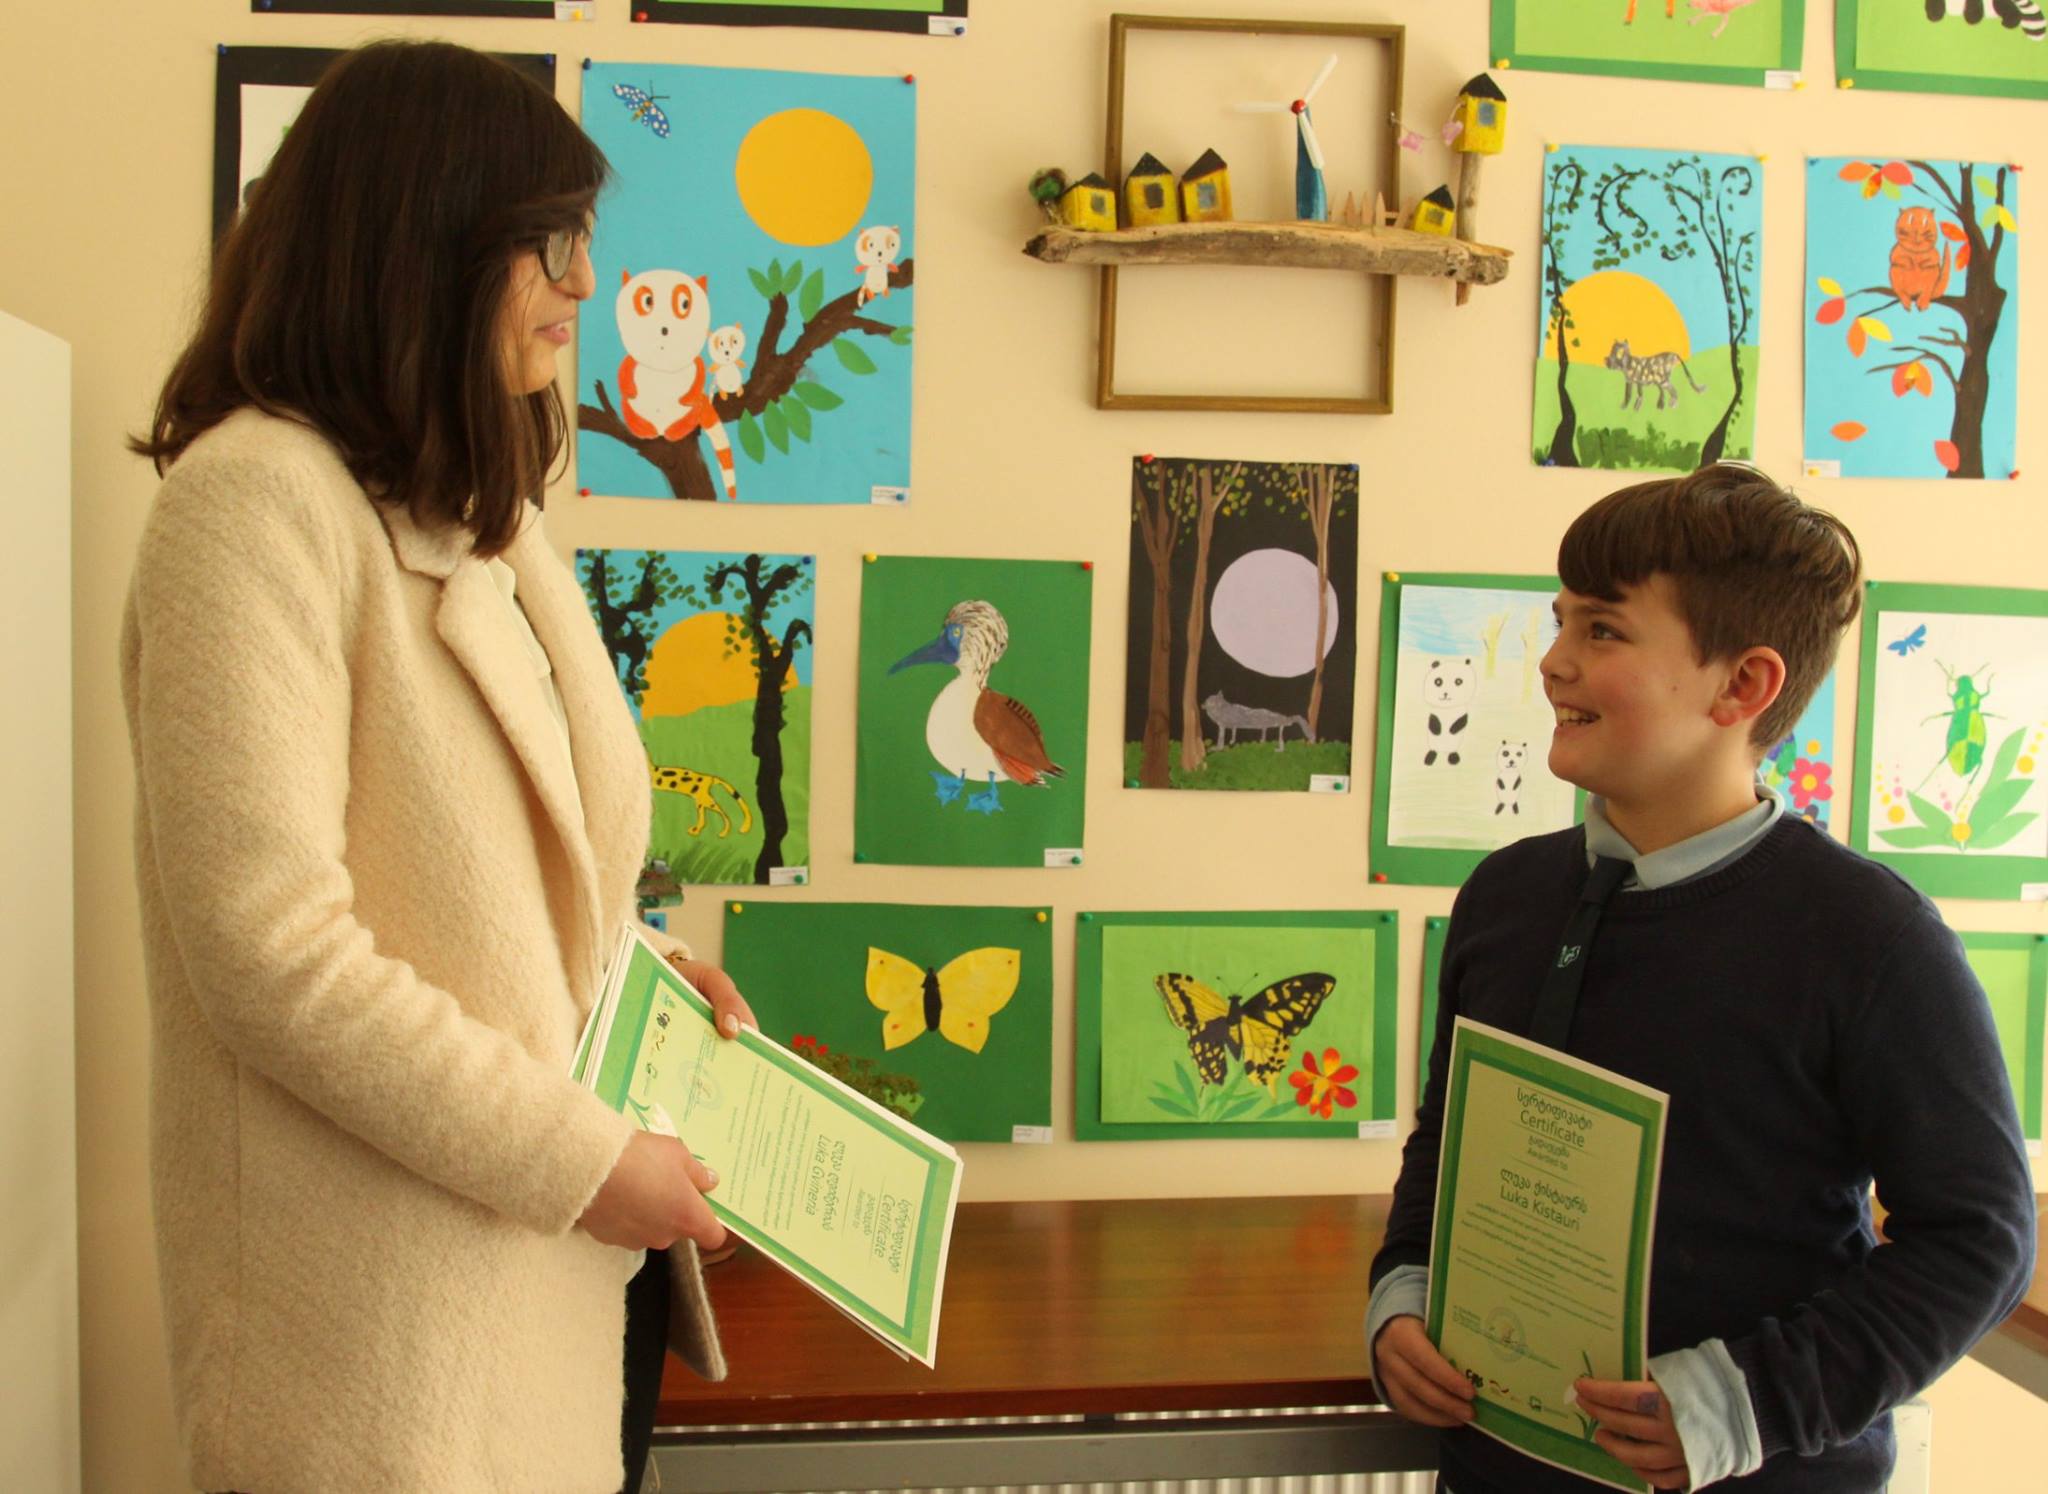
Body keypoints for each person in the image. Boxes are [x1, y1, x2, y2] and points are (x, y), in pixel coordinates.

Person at [123, 41, 744, 1494]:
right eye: (548, 243)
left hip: (547, 1284)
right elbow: (272, 951)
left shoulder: (487, 511)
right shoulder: (250, 505)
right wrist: (578, 1161)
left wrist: (641, 969)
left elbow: (502, 869)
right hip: (381, 1324)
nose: (584, 283)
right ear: (427, 242)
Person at [1366, 465, 2037, 1492]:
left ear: (1743, 686)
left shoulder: (1870, 938)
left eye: (1602, 630)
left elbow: (1977, 1242)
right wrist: (1404, 1291)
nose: (1551, 661)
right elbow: (1448, 1138)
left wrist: (1746, 1403)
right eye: (1558, 621)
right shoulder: (1503, 896)